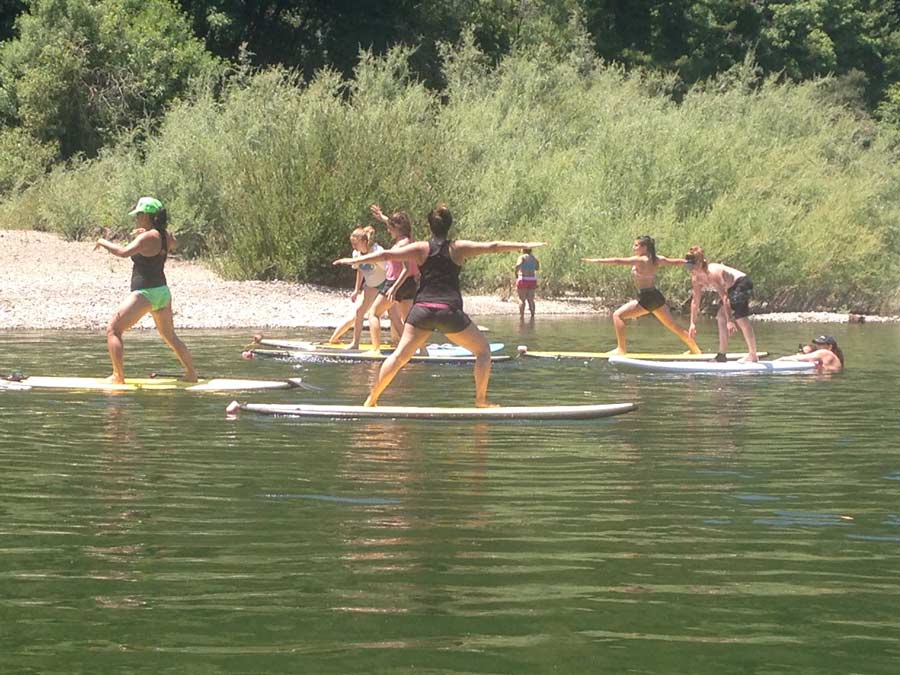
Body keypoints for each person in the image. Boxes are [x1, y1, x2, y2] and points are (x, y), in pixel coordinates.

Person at [334, 203, 545, 407]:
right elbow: (493, 247)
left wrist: (352, 261)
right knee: (483, 352)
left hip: (422, 311)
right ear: (449, 225)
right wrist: (524, 245)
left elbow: (385, 255)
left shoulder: (420, 248)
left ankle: (371, 400)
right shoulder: (458, 248)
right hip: (449, 313)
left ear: (430, 227)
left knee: (399, 356)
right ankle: (480, 401)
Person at [94, 197, 197, 384]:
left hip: (145, 293)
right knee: (170, 336)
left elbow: (123, 252)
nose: (137, 219)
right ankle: (191, 374)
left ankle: (118, 377)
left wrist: (103, 241)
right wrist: (147, 233)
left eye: (139, 215)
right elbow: (172, 243)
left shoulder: (147, 237)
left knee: (114, 330)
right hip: (163, 293)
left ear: (147, 216)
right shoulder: (165, 235)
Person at [583, 235, 701, 354]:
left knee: (617, 315)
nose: (633, 247)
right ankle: (695, 350)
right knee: (673, 326)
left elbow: (617, 261)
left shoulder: (641, 260)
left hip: (647, 298)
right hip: (655, 296)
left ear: (644, 247)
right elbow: (675, 262)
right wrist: (692, 265)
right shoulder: (657, 259)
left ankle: (621, 349)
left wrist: (596, 260)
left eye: (636, 245)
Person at [684, 246, 758, 362]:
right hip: (731, 289)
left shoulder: (712, 273)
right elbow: (695, 301)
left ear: (699, 263)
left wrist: (730, 320)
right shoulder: (695, 279)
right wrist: (692, 323)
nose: (690, 269)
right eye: (687, 266)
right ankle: (722, 355)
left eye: (692, 266)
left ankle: (753, 355)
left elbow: (725, 297)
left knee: (741, 319)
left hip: (742, 283)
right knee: (720, 316)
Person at [367, 204, 419, 351]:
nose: (388, 230)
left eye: (390, 228)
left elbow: (406, 269)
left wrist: (394, 288)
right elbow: (397, 226)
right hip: (410, 284)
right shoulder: (410, 240)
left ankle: (375, 349)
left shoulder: (401, 246)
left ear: (396, 228)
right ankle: (422, 351)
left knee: (374, 314)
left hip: (396, 283)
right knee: (409, 321)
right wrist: (383, 217)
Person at [328, 226, 387, 349]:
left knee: (394, 317)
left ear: (364, 242)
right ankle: (352, 343)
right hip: (371, 285)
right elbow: (360, 270)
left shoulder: (377, 250)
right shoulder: (356, 254)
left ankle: (403, 344)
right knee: (359, 313)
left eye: (355, 244)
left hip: (386, 283)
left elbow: (390, 269)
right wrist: (356, 289)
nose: (353, 247)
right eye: (352, 244)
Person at [778, 335, 844, 373]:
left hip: (823, 383)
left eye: (820, 344)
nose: (817, 346)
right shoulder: (832, 356)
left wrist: (781, 359)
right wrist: (803, 352)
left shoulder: (826, 353)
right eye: (817, 344)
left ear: (830, 347)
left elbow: (799, 358)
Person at [515, 248, 540, 320]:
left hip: (523, 278)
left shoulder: (522, 257)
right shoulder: (534, 258)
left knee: (522, 299)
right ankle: (532, 317)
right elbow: (537, 268)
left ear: (523, 250)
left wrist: (516, 273)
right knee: (531, 299)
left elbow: (517, 265)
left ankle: (521, 317)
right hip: (532, 279)